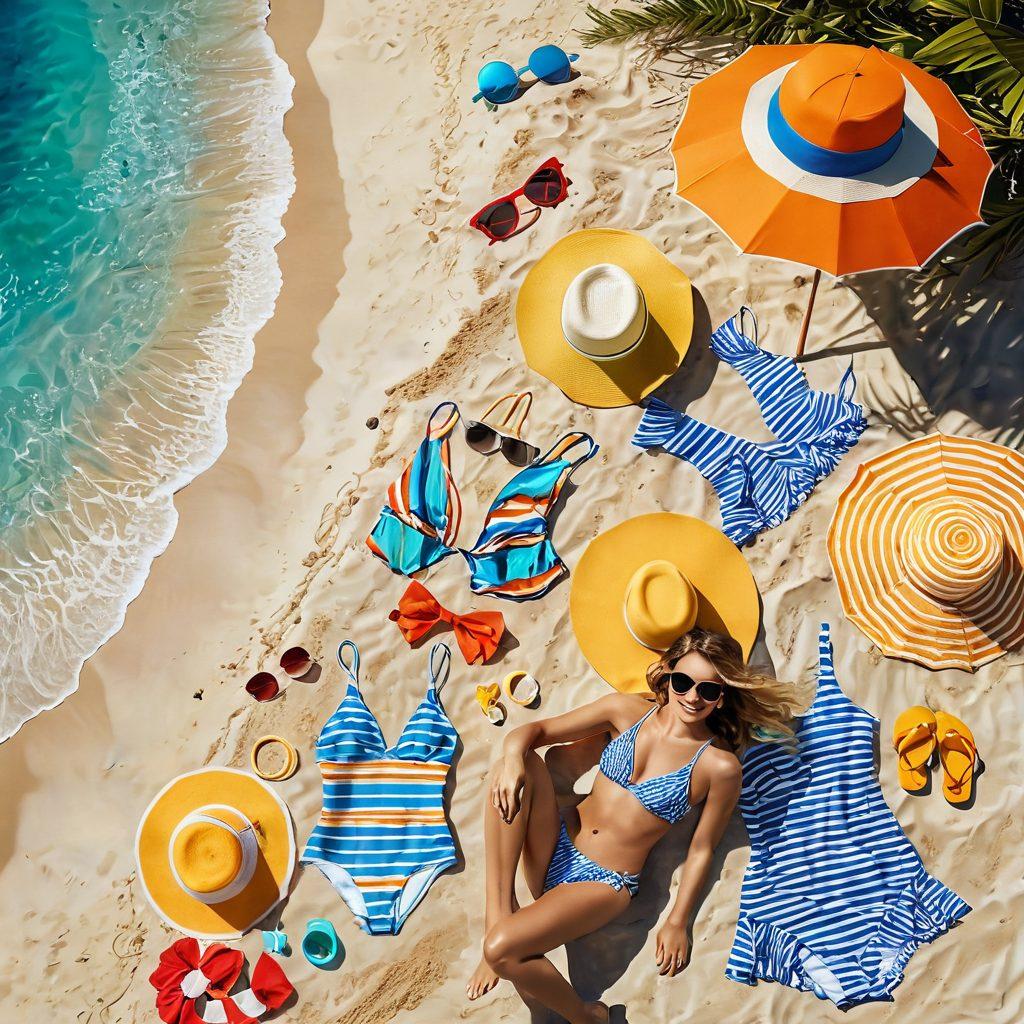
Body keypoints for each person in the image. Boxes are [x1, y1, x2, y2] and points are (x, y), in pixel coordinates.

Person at [465, 628, 804, 1023]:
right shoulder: (625, 711)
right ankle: (498, 916)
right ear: (669, 674)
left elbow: (702, 848)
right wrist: (511, 757)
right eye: (684, 682)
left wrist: (678, 921)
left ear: (722, 697)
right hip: (557, 838)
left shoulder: (719, 766)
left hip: (601, 883)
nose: (693, 697)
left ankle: (585, 1015)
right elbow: (534, 733)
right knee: (517, 764)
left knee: (501, 950)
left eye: (709, 690)